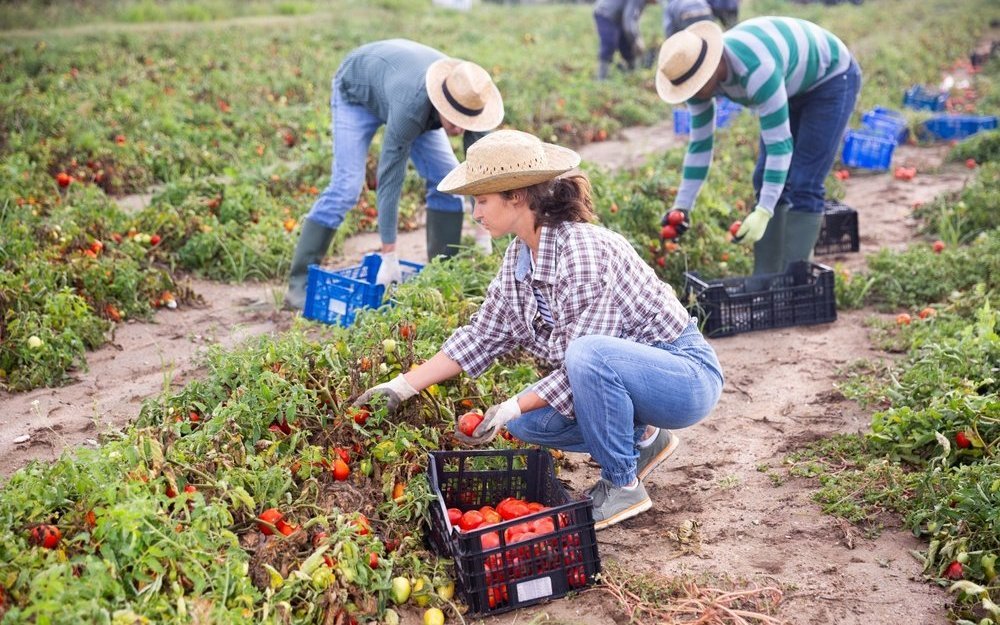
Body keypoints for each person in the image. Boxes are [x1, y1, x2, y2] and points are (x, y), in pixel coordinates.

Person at [354, 130, 724, 530]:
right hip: (638, 380)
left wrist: (514, 400)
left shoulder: (583, 252)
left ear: (516, 196)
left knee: (585, 356)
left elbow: (582, 365)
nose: (476, 213)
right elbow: (481, 335)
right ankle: (644, 440)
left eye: (481, 201)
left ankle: (623, 485)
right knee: (527, 423)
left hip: (684, 377)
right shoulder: (520, 257)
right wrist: (401, 387)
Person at [283, 39, 504, 310]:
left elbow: (481, 173)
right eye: (454, 122)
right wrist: (389, 254)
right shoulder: (411, 105)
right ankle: (299, 284)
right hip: (357, 93)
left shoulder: (469, 96)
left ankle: (443, 273)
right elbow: (389, 178)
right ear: (441, 104)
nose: (459, 130)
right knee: (347, 188)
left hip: (402, 88)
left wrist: (484, 233)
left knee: (447, 179)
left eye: (466, 123)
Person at [655, 18, 861, 274]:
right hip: (790, 83)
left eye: (696, 86)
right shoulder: (698, 86)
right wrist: (681, 207)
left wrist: (764, 211)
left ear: (713, 65)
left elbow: (780, 146)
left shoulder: (756, 69)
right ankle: (767, 278)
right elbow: (700, 145)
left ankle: (795, 282)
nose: (694, 95)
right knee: (765, 178)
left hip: (830, 79)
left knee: (804, 182)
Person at [593, 0, 648, 80]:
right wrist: (636, 39)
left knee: (625, 42)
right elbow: (629, 21)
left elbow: (633, 20)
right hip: (605, 13)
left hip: (619, 17)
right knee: (609, 42)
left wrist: (635, 38)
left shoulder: (642, 2)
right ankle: (601, 77)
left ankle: (632, 72)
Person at [662, 0, 739, 39]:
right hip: (706, 10)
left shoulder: (670, 5)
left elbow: (669, 29)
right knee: (708, 38)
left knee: (691, 41)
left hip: (686, 15)